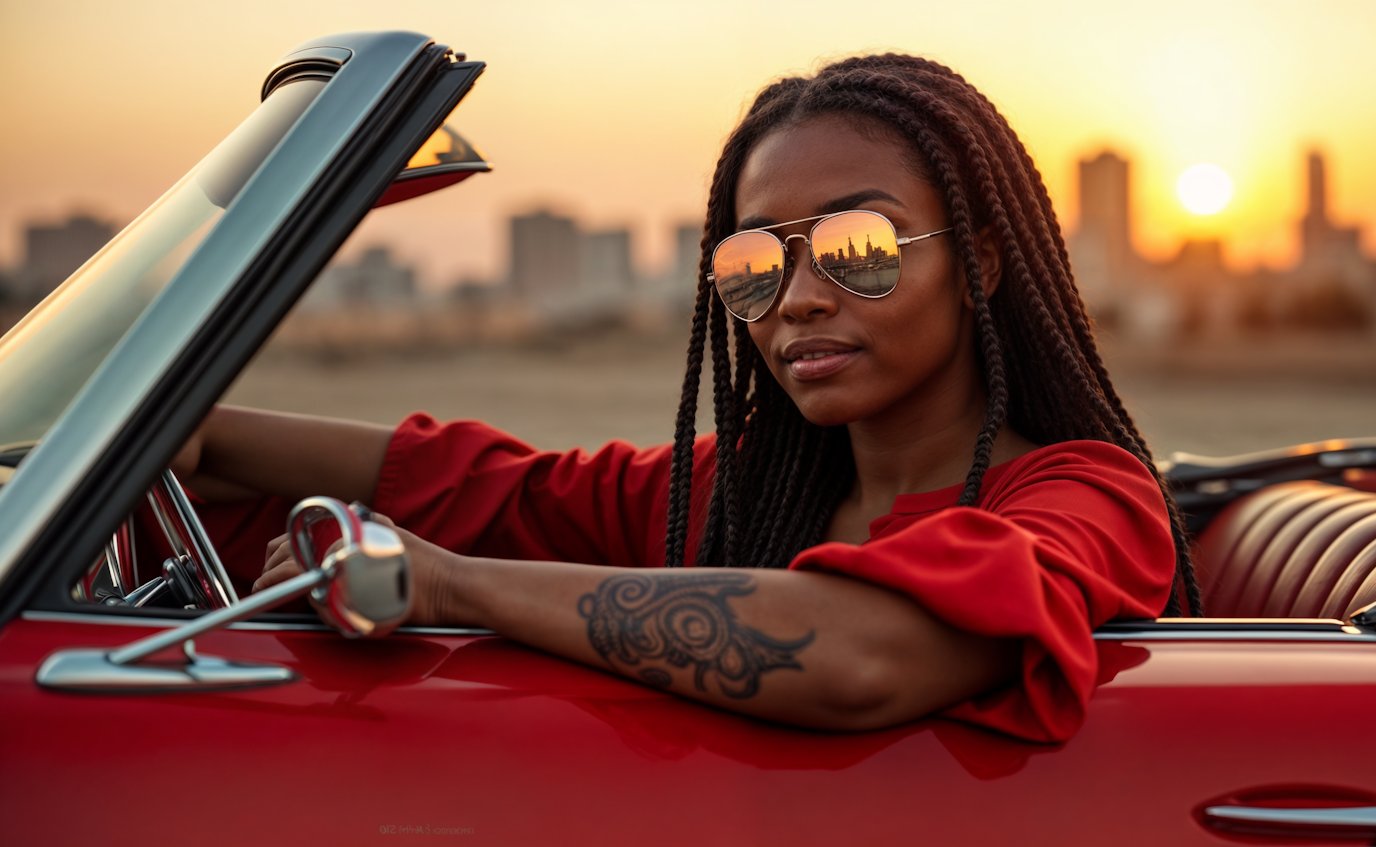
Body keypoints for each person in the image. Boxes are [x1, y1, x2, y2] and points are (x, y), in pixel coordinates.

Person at [173, 54, 1202, 743]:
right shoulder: (745, 487)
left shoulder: (1089, 495)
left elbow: (866, 653)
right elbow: (492, 486)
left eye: (860, 248)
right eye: (754, 262)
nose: (797, 299)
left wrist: (444, 590)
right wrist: (189, 437)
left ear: (978, 262)